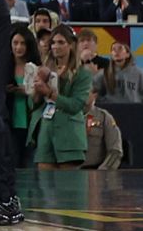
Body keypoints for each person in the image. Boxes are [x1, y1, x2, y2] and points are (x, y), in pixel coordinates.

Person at [29, 30, 97, 170]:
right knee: (44, 186)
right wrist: (36, 89)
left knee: (69, 187)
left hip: (69, 133)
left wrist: (50, 93)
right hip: (46, 131)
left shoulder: (82, 73)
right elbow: (33, 104)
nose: (55, 46)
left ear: (71, 45)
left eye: (61, 42)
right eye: (53, 42)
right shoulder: (45, 69)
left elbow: (76, 105)